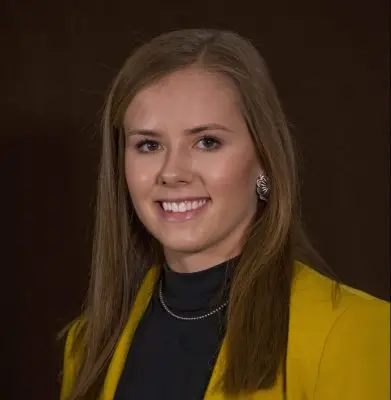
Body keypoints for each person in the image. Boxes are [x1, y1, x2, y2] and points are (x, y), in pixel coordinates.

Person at [60, 29, 390, 400]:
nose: (172, 172)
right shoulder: (88, 343)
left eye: (207, 142)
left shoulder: (352, 331)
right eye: (148, 145)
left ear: (264, 159)